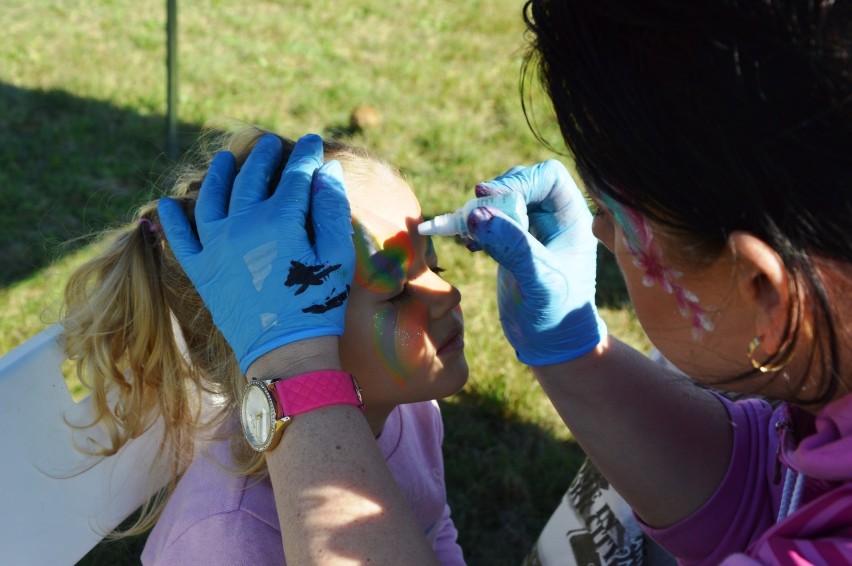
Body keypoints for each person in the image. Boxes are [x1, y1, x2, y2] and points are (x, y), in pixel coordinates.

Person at [155, 0, 852, 564]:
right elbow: (763, 486)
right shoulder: (226, 539)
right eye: (398, 285)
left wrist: (295, 375)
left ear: (764, 291)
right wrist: (572, 348)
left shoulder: (413, 423)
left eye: (619, 220)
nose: (601, 235)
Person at [61, 126, 467, 564]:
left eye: (434, 262)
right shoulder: (228, 539)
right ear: (271, 339)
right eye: (397, 292)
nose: (449, 294)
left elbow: (433, 525)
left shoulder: (414, 412)